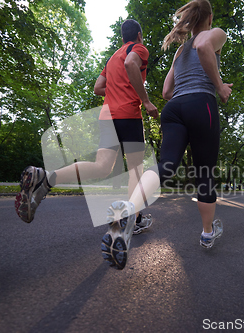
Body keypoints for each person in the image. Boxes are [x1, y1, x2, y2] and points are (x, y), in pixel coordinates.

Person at [103, 0, 232, 270]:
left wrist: (186, 97)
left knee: (167, 165)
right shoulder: (214, 33)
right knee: (205, 172)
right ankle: (208, 233)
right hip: (201, 104)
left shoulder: (180, 50)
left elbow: (165, 92)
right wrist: (218, 87)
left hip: (174, 109)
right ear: (209, 18)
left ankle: (128, 209)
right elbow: (206, 46)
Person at [15, 20, 158, 238]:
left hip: (107, 116)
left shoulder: (111, 59)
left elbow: (98, 88)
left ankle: (46, 177)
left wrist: (117, 89)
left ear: (121, 38)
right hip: (128, 115)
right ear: (139, 35)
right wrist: (145, 101)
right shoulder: (138, 49)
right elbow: (131, 64)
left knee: (102, 167)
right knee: (135, 170)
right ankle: (133, 219)